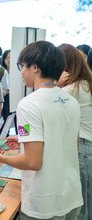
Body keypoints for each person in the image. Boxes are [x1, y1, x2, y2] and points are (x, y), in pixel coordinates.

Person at [0, 41, 83, 219]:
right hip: (70, 194)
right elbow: (61, 139)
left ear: (35, 67)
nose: (21, 72)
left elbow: (33, 162)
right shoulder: (71, 101)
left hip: (44, 201)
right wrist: (24, 140)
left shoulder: (28, 104)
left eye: (23, 66)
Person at [57, 43, 92, 220]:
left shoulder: (72, 89)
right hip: (88, 148)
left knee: (82, 204)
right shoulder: (87, 84)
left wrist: (56, 84)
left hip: (83, 150)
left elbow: (44, 101)